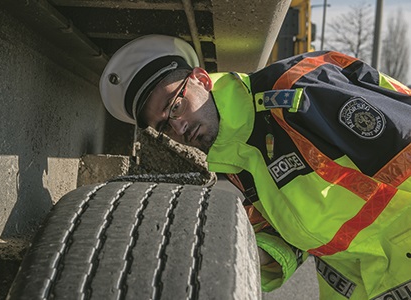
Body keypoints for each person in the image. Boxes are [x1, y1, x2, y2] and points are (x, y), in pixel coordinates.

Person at [99, 34, 411, 299]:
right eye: (165, 126)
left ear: (201, 79)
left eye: (176, 106)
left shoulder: (297, 91)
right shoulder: (235, 159)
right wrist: (228, 252)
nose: (178, 128)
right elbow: (289, 236)